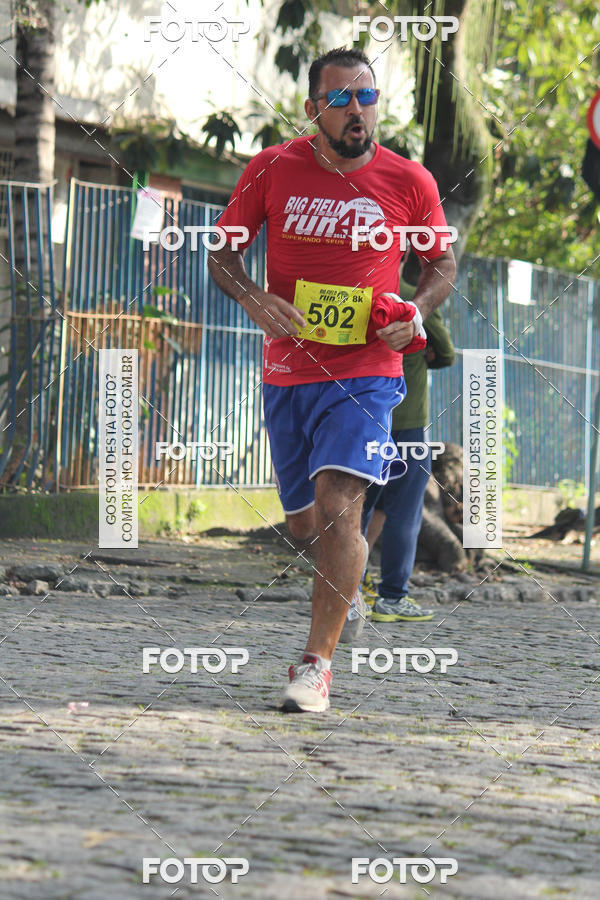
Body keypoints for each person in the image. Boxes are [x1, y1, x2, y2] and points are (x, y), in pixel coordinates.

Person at [208, 46, 456, 713]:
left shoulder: (410, 182)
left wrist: (416, 310)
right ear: (313, 108)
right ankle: (341, 579)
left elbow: (441, 265)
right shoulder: (271, 169)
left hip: (367, 371)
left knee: (341, 503)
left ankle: (316, 666)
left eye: (366, 97)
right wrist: (255, 299)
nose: (356, 111)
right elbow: (222, 255)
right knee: (308, 525)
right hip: (289, 372)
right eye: (341, 98)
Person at [361, 275, 456, 622]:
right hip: (408, 425)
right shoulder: (416, 297)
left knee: (357, 510)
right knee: (405, 512)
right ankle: (392, 598)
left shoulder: (354, 291)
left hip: (362, 422)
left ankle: (348, 589)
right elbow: (445, 354)